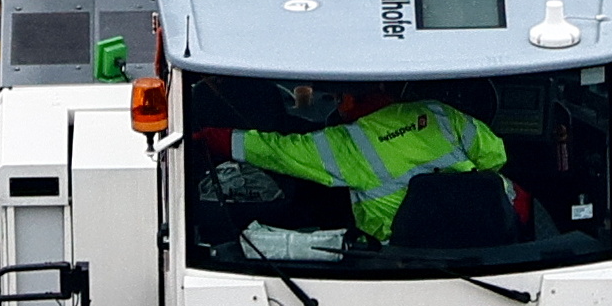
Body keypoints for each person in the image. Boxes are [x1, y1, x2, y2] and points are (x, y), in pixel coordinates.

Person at [196, 92, 513, 242]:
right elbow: (495, 156)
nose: (335, 103)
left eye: (338, 95)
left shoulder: (347, 143)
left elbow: (277, 152)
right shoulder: (437, 113)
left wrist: (214, 137)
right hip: (489, 244)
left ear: (352, 97)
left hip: (405, 258)